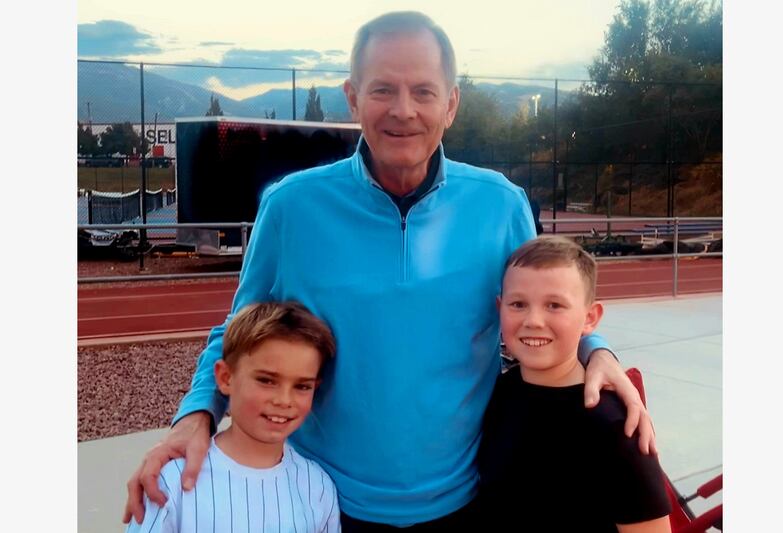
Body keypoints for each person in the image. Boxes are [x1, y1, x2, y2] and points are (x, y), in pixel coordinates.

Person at [125, 11, 655, 531]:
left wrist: (596, 349)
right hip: (330, 502)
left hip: (467, 502)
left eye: (424, 91)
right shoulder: (291, 206)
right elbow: (237, 331)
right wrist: (196, 416)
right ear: (353, 97)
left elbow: (547, 298)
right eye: (383, 90)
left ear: (451, 104)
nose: (404, 110)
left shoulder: (501, 204)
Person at [478, 236, 671, 532]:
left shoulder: (617, 427)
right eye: (518, 304)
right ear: (499, 307)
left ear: (589, 318)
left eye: (554, 305)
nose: (534, 320)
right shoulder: (501, 391)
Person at [127, 302, 341, 533]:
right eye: (267, 380)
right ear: (226, 378)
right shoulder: (172, 481)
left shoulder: (317, 486)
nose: (284, 400)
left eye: (302, 386)